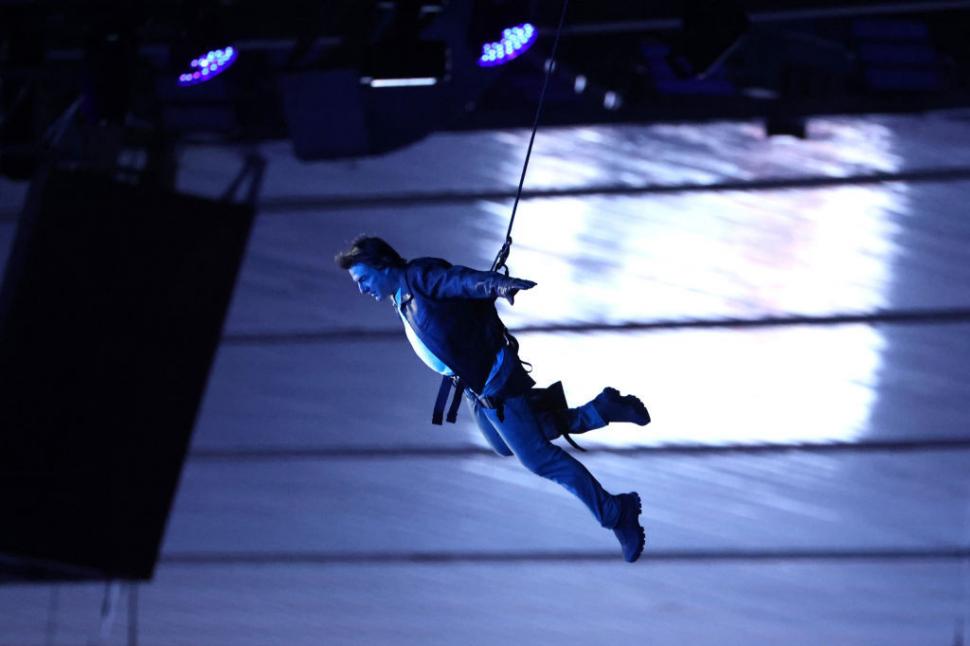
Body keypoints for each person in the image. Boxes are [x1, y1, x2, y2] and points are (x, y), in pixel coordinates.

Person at [335, 235, 651, 562]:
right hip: (474, 386)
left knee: (538, 458)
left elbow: (459, 281)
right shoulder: (400, 296)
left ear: (381, 266)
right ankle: (602, 409)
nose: (361, 289)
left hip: (495, 380)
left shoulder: (419, 277)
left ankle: (616, 512)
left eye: (362, 279)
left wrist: (496, 285)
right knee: (506, 444)